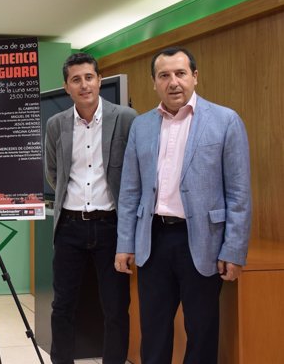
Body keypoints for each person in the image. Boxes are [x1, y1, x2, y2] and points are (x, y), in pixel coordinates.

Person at [115, 46, 252, 363]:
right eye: (164, 75)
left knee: (202, 332)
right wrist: (125, 243)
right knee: (154, 331)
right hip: (154, 241)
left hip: (203, 242)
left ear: (195, 77)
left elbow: (239, 192)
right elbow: (130, 191)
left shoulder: (225, 121)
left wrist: (233, 249)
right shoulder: (142, 126)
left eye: (180, 73)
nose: (173, 82)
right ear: (154, 82)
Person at [45, 52, 137, 364]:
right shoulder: (56, 124)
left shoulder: (125, 118)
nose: (84, 84)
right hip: (69, 226)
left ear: (98, 80)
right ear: (66, 87)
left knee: (115, 308)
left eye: (89, 77)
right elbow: (54, 172)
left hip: (111, 227)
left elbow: (134, 172)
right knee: (63, 306)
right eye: (76, 79)